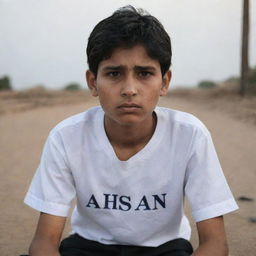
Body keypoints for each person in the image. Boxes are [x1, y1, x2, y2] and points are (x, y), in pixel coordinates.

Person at [24, 5, 238, 256]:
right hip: (89, 246)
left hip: (164, 249)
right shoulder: (66, 137)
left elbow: (215, 244)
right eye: (114, 73)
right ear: (93, 83)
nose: (129, 89)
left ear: (164, 82)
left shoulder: (190, 136)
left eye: (144, 73)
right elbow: (44, 242)